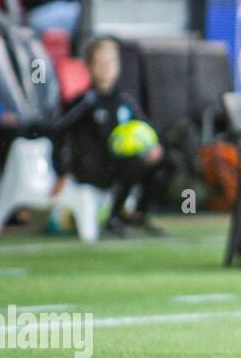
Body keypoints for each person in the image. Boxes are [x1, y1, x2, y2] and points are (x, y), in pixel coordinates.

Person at [50, 37, 169, 238]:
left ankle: (138, 215)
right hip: (91, 169)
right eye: (100, 63)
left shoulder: (124, 101)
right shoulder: (84, 102)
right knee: (134, 163)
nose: (106, 68)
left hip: (119, 164)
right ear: (89, 67)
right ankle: (114, 218)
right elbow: (59, 131)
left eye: (111, 62)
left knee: (166, 161)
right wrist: (60, 171)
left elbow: (148, 128)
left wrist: (156, 147)